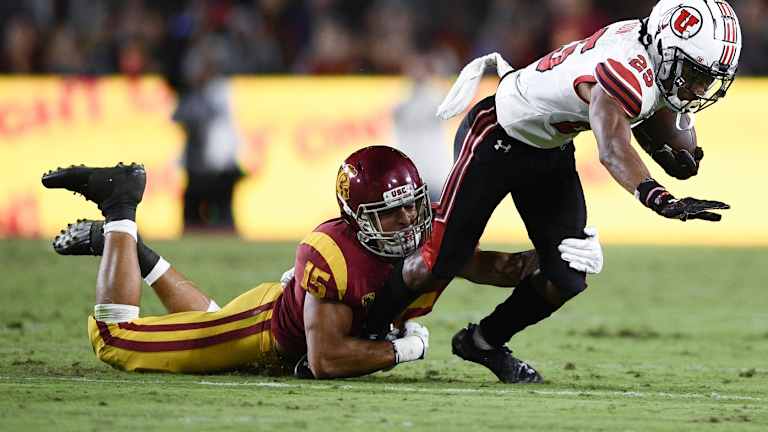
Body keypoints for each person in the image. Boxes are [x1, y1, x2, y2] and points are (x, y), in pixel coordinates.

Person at [365, 0, 739, 383]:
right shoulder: (626, 68)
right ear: (665, 48)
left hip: (549, 151)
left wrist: (669, 152)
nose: (698, 87)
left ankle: (483, 342)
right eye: (694, 73)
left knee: (568, 273)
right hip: (497, 136)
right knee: (440, 259)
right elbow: (612, 148)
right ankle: (368, 328)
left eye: (706, 78)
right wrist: (657, 197)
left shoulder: (651, 45)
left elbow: (641, 108)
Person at [42, 147, 603, 378]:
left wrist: (564, 251)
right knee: (114, 340)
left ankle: (135, 253)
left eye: (413, 207)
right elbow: (326, 359)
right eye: (389, 213)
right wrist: (402, 350)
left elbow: (500, 269)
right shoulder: (333, 253)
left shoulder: (429, 233)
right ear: (356, 216)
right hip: (265, 333)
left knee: (207, 320)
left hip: (286, 323)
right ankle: (121, 205)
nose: (407, 222)